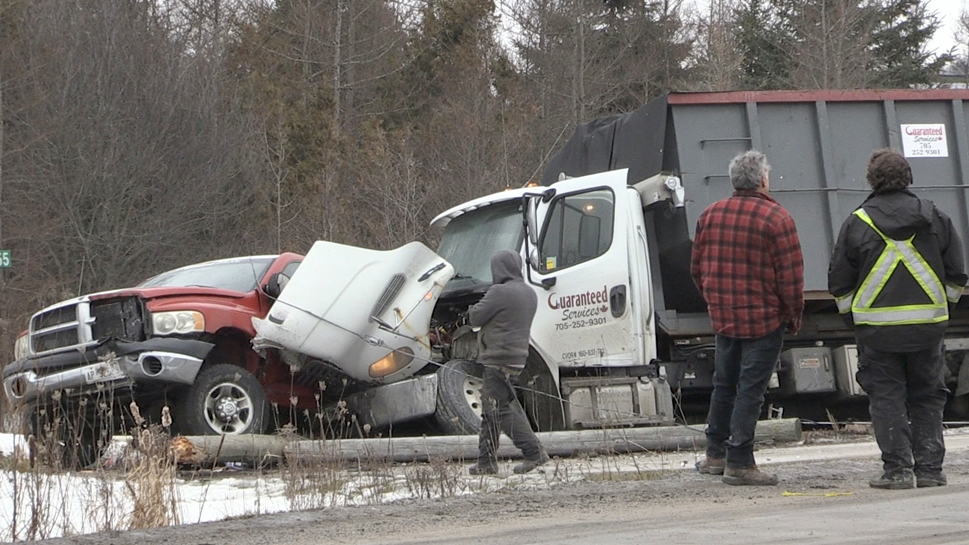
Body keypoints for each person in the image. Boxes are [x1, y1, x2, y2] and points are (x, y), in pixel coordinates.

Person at [828, 148, 967, 490]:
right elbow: (957, 273)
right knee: (928, 396)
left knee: (886, 397)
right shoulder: (935, 217)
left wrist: (854, 319)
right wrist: (941, 312)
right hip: (926, 331)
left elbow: (839, 283)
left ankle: (898, 472)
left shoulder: (857, 222)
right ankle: (930, 471)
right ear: (909, 178)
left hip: (876, 333)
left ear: (871, 181)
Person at [691, 149, 804, 486]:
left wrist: (715, 301)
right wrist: (793, 315)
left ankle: (715, 454)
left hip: (724, 317)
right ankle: (740, 461)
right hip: (764, 320)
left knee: (723, 386)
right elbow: (791, 279)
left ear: (733, 181)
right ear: (764, 180)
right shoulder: (777, 219)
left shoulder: (710, 215)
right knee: (750, 392)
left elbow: (697, 269)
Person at [467, 249, 549, 475]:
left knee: (500, 409)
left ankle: (533, 452)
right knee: (494, 408)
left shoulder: (499, 292)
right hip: (517, 358)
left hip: (497, 358)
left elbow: (476, 317)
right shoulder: (528, 292)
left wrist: (470, 309)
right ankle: (486, 461)